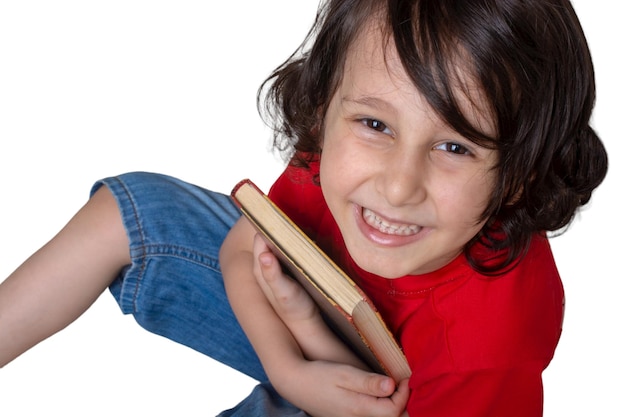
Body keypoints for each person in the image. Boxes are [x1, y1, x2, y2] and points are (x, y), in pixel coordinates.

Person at [0, 0, 609, 416]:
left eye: (453, 146)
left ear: (520, 177)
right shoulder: (338, 159)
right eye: (375, 124)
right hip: (306, 321)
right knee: (129, 210)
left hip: (386, 406)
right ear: (325, 109)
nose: (397, 187)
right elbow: (245, 244)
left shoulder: (493, 340)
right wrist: (289, 358)